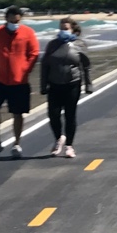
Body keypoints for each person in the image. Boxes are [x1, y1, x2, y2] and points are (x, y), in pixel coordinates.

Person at [0, 6, 40, 158]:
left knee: (18, 113)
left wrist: (25, 70)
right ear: (6, 18)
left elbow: (34, 53)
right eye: (12, 19)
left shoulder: (28, 32)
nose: (15, 22)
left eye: (18, 20)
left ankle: (16, 143)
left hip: (19, 82)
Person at [39, 18, 92, 159]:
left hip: (72, 84)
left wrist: (88, 84)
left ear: (73, 30)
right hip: (54, 85)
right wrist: (43, 85)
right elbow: (44, 66)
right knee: (53, 115)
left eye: (66, 28)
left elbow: (86, 66)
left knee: (70, 115)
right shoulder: (52, 45)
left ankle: (69, 145)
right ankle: (58, 138)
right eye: (61, 28)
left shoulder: (79, 44)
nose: (63, 31)